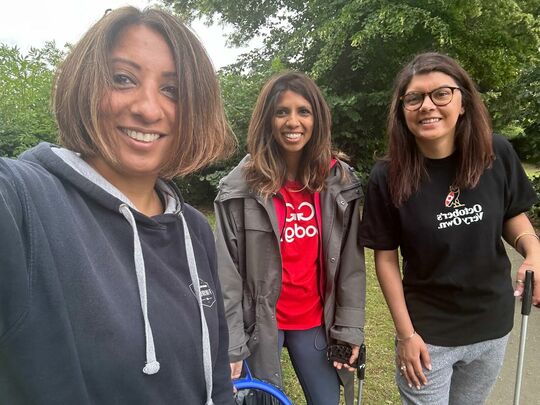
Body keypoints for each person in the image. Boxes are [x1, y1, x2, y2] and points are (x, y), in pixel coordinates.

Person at [0, 7, 236, 404]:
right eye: (123, 79)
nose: (147, 108)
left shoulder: (194, 229)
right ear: (85, 84)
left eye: (172, 90)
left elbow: (216, 383)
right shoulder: (24, 201)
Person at [359, 52, 540, 405]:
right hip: (428, 336)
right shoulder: (387, 175)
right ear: (402, 110)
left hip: (492, 327)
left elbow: (511, 215)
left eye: (441, 93)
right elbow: (385, 259)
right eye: (414, 98)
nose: (428, 106)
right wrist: (405, 334)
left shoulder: (496, 152)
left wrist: (534, 251)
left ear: (463, 101)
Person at [214, 72, 366, 405]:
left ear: (318, 119)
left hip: (314, 322)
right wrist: (232, 345)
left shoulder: (340, 181)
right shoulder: (238, 186)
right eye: (282, 111)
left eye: (303, 111)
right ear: (268, 119)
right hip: (260, 325)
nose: (292, 121)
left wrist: (349, 330)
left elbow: (352, 266)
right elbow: (226, 276)